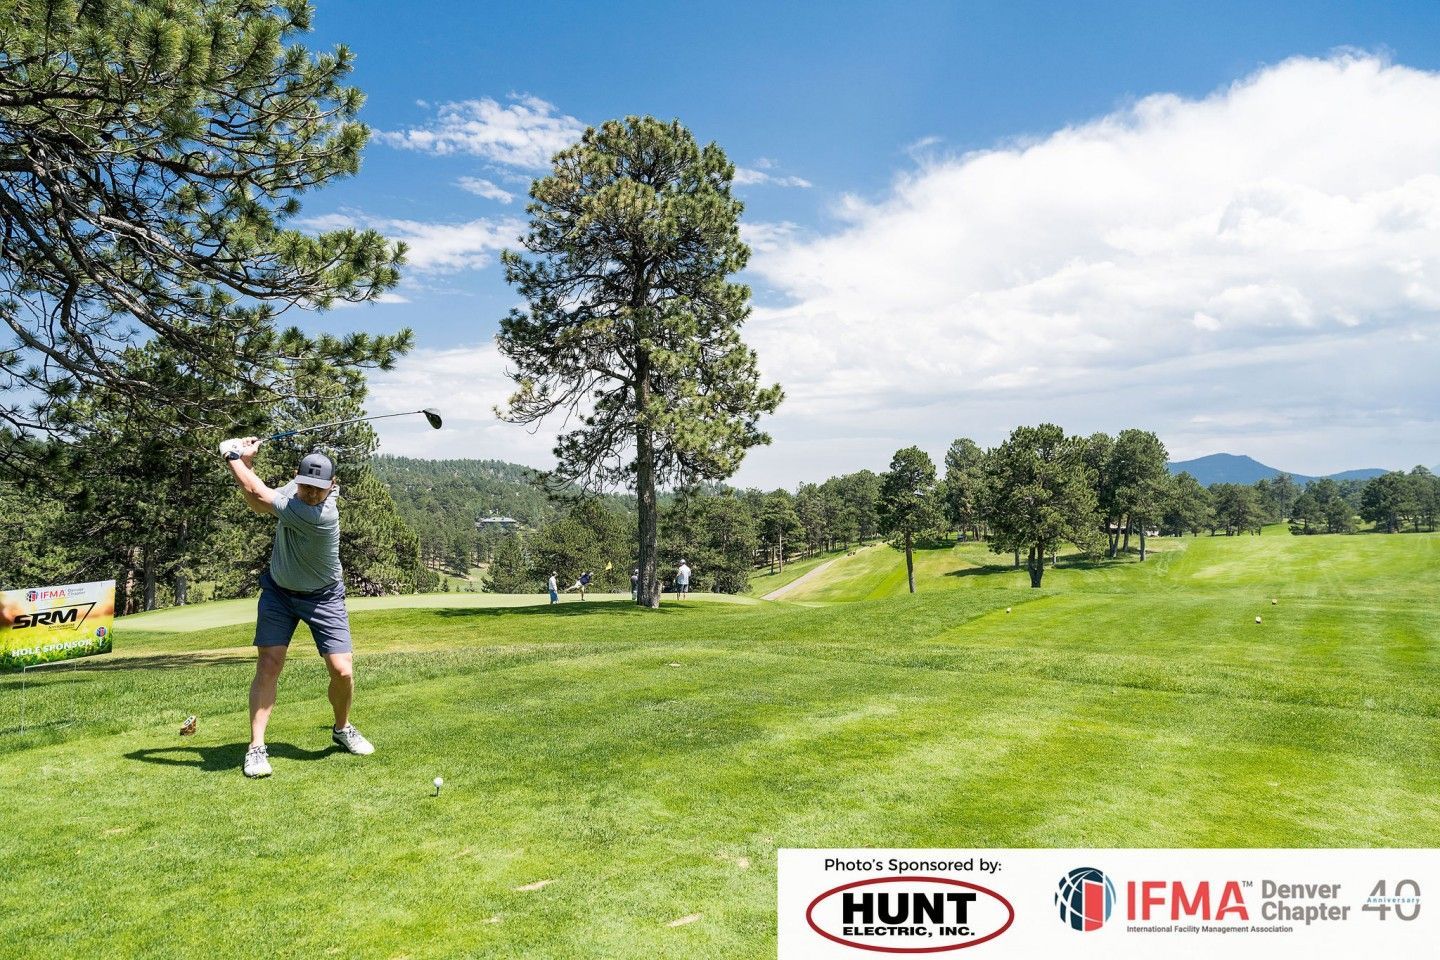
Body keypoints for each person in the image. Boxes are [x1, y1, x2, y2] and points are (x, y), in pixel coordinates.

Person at [223, 440, 373, 779]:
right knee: (269, 663)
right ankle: (257, 747)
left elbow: (259, 496)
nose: (311, 493)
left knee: (342, 670)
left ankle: (342, 727)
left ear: (332, 486)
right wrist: (247, 461)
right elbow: (256, 500)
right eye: (306, 485)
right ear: (297, 478)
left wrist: (232, 457)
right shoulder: (297, 492)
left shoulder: (320, 513)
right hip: (279, 592)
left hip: (324, 595)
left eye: (320, 488)